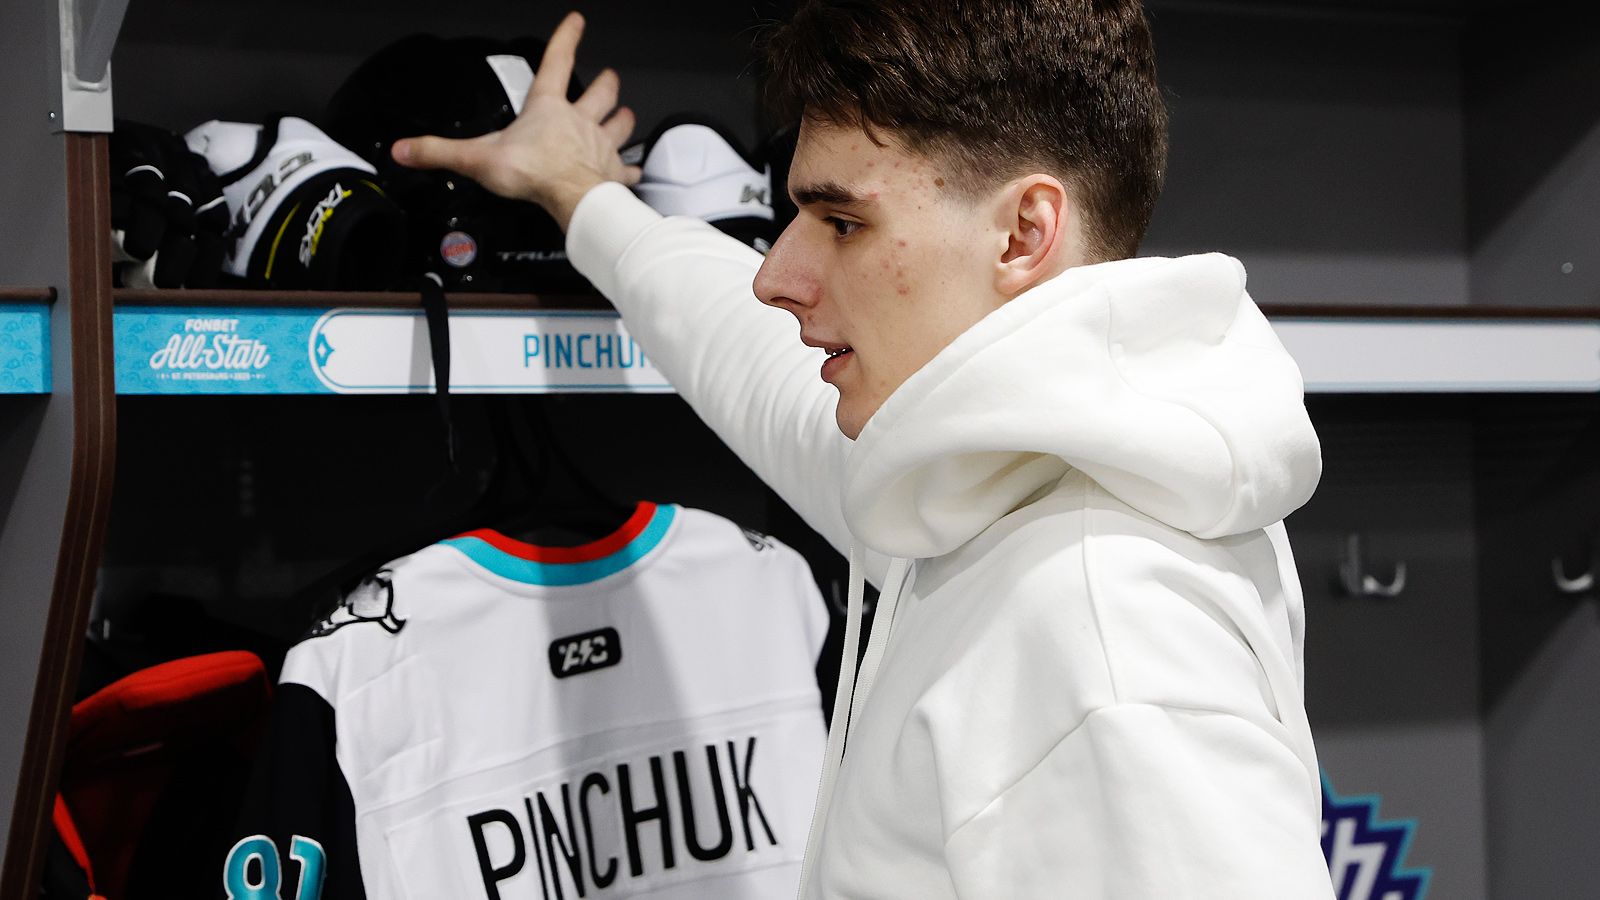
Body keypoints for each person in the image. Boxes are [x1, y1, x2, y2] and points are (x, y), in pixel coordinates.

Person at [394, 2, 1336, 896]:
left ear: (1023, 232)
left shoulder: (1110, 635)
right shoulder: (993, 477)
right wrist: (580, 192)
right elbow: (753, 363)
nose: (775, 275)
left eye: (843, 222)